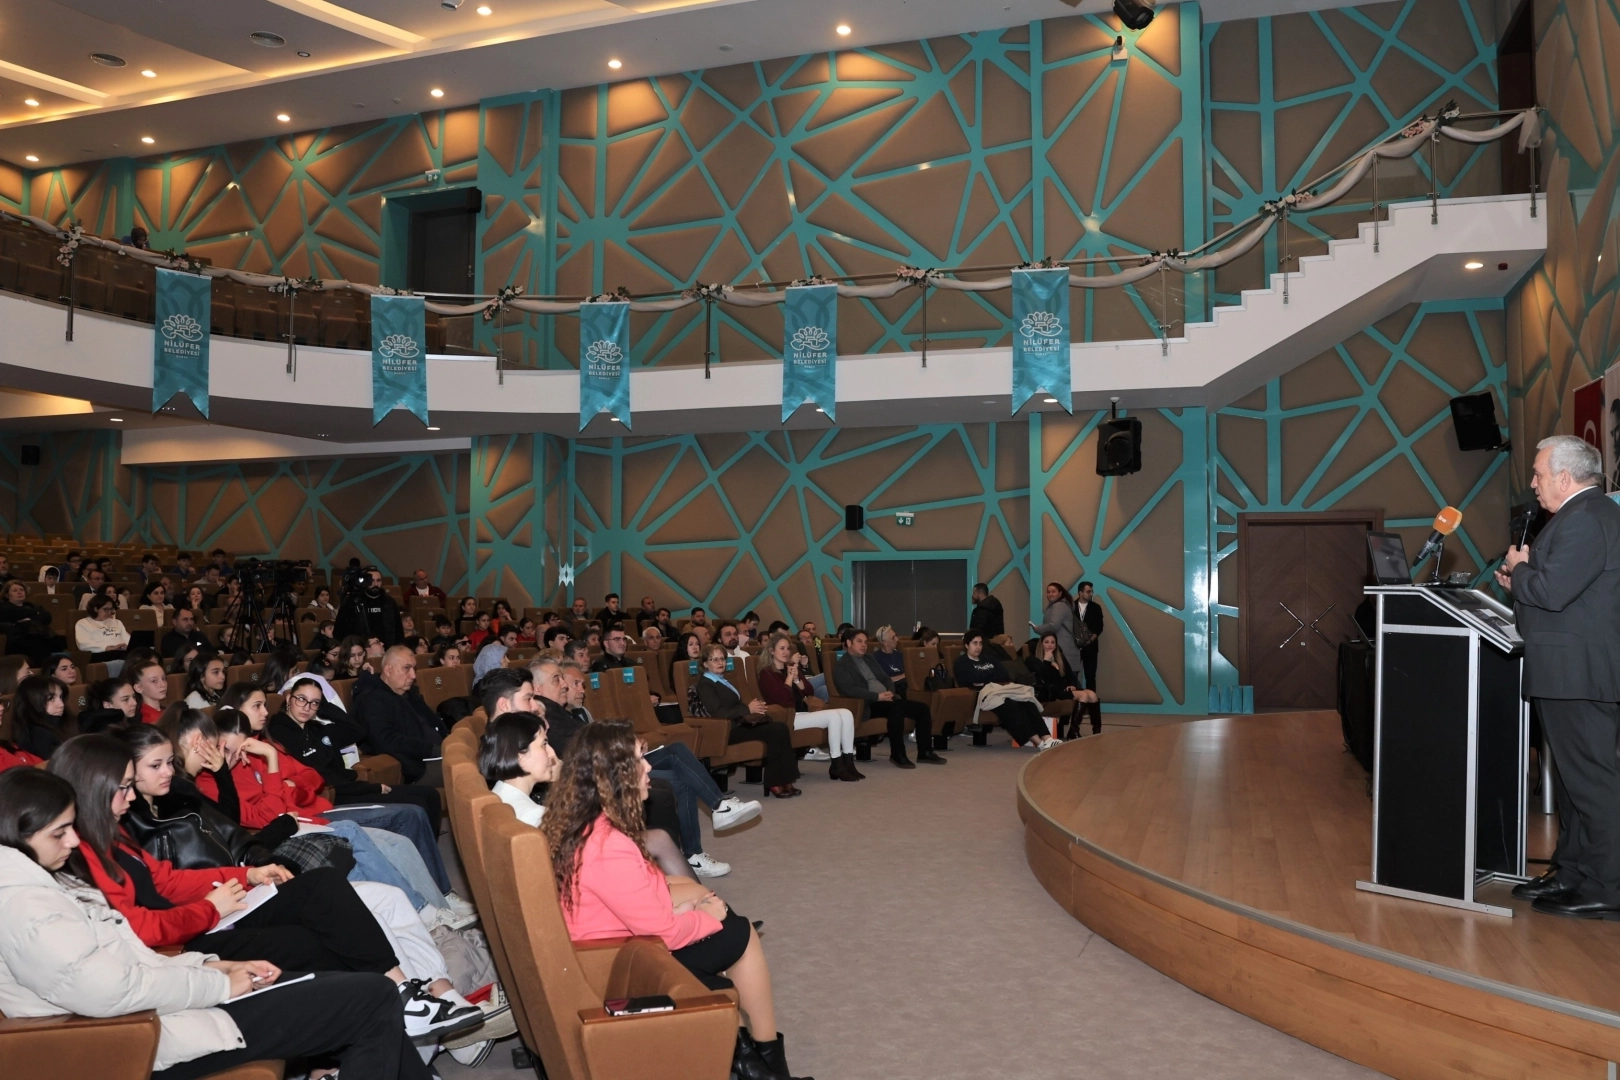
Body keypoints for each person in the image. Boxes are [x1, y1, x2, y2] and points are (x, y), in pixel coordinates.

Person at [0, 767, 447, 1080]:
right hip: (144, 1038)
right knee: (370, 998)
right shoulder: (26, 905)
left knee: (357, 983)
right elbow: (112, 990)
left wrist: (214, 966)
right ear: (17, 833)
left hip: (165, 1009)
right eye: (59, 832)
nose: (72, 840)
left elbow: (129, 966)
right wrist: (218, 982)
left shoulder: (40, 884)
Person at [43, 735, 485, 1044]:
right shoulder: (82, 849)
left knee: (323, 893)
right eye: (123, 787)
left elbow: (165, 879)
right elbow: (139, 928)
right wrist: (212, 907)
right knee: (319, 921)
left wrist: (246, 877)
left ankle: (404, 998)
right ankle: (395, 1008)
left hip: (204, 915)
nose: (130, 796)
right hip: (182, 944)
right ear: (94, 788)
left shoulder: (111, 832)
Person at [543, 722, 808, 1080]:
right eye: (639, 759)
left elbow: (635, 898)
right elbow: (664, 934)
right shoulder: (608, 844)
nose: (648, 767)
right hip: (618, 963)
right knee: (737, 931)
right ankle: (767, 1062)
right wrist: (705, 917)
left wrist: (685, 910)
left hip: (617, 946)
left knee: (727, 925)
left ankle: (754, 1060)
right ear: (613, 776)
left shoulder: (586, 823)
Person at [1492, 436, 1620, 916]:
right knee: (1571, 783)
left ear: (1565, 478)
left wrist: (1522, 570)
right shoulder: (1580, 515)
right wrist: (1520, 582)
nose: (1533, 483)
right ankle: (1573, 872)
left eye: (1539, 473)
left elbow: (1553, 591)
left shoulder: (1585, 518)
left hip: (1578, 673)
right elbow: (1558, 592)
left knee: (1591, 784)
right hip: (1568, 670)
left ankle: (1608, 887)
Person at [273, 676, 440, 823]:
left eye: (314, 702)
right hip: (335, 794)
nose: (307, 707)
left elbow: (356, 731)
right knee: (416, 807)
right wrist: (371, 788)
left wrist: (324, 707)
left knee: (430, 795)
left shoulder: (316, 729)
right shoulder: (279, 732)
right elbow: (325, 777)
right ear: (288, 699)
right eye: (301, 699)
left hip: (351, 787)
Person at [695, 643, 801, 798]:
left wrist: (754, 708)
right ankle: (774, 782)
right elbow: (718, 712)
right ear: (705, 664)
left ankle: (786, 780)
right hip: (726, 731)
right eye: (714, 659)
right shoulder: (706, 684)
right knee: (776, 730)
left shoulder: (721, 680)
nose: (720, 662)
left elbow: (733, 705)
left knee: (781, 728)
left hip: (739, 724)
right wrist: (747, 709)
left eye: (722, 659)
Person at [833, 629, 942, 768]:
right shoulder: (842, 665)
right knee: (896, 709)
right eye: (859, 641)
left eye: (865, 642)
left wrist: (890, 691)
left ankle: (925, 752)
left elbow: (885, 678)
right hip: (867, 704)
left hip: (886, 699)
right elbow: (850, 690)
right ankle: (898, 754)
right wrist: (877, 696)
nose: (863, 645)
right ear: (849, 643)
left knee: (922, 708)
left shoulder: (869, 658)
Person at [759, 632, 860, 781]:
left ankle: (848, 763)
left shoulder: (791, 667)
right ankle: (836, 765)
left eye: (788, 648)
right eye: (782, 648)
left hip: (803, 712)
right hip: (787, 717)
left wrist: (797, 680)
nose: (786, 652)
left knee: (846, 713)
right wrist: (789, 678)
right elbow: (782, 700)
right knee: (833, 716)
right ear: (772, 651)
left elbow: (809, 691)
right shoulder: (766, 673)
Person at [354, 645, 448, 787]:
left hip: (436, 755)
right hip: (419, 767)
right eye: (407, 668)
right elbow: (384, 739)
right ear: (388, 670)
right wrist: (433, 749)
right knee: (466, 769)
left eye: (414, 668)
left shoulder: (409, 695)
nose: (413, 675)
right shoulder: (372, 700)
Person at [954, 629, 1062, 751]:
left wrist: (985, 678)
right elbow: (969, 682)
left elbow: (1004, 675)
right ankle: (1039, 743)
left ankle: (1047, 738)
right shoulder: (962, 663)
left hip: (1002, 690)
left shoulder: (989, 659)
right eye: (975, 643)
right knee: (1011, 706)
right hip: (984, 695)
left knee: (1027, 702)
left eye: (980, 643)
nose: (978, 647)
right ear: (967, 645)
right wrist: (990, 676)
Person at [1028, 632, 1100, 739]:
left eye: (1053, 642)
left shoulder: (1059, 657)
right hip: (1051, 691)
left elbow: (1070, 675)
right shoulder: (1034, 660)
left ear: (1056, 645)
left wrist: (1072, 685)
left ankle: (1097, 731)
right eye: (1046, 642)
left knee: (1092, 695)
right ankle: (1074, 731)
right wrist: (1046, 661)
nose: (1050, 645)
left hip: (1064, 688)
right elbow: (1044, 678)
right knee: (1083, 695)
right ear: (1041, 644)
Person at [10, 675, 76, 760]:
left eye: (61, 697)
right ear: (32, 702)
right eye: (51, 699)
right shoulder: (38, 734)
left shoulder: (64, 721)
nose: (61, 704)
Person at [0, 580, 64, 664]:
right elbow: (17, 615)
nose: (19, 592)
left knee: (61, 641)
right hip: (17, 640)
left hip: (39, 635)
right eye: (15, 590)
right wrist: (35, 615)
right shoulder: (3, 608)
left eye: (21, 589)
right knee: (37, 646)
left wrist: (28, 619)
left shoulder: (33, 606)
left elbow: (47, 617)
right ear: (7, 595)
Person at [1030, 581, 1083, 676]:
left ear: (1060, 593)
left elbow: (1053, 626)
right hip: (1066, 650)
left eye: (1053, 591)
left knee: (1065, 681)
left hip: (1062, 651)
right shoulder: (1064, 605)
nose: (1050, 594)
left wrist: (1037, 629)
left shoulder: (1058, 606)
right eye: (1048, 592)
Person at [76, 595, 131, 668]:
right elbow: (83, 644)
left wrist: (127, 646)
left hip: (121, 652)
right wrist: (106, 647)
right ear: (96, 609)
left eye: (111, 609)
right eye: (106, 609)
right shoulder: (83, 623)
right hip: (101, 653)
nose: (109, 612)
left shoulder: (117, 622)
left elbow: (128, 639)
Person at [1074, 580, 1104, 693]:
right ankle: (1075, 701)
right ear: (1080, 593)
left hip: (1091, 647)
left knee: (1090, 677)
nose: (1091, 594)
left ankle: (1091, 701)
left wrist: (1090, 640)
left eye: (1091, 591)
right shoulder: (1071, 606)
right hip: (1074, 647)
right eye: (1088, 591)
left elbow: (1099, 627)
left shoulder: (1096, 607)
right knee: (1072, 676)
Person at [130, 656, 169, 724]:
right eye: (154, 681)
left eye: (163, 678)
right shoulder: (145, 720)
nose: (163, 684)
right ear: (139, 688)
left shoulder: (168, 712)